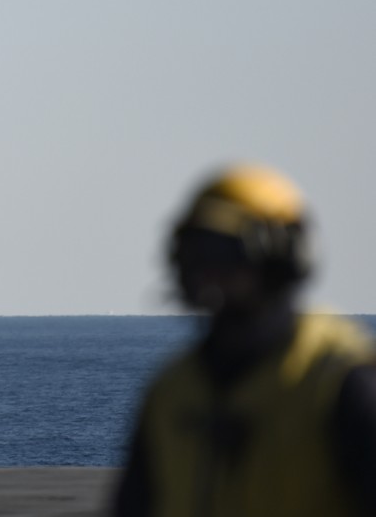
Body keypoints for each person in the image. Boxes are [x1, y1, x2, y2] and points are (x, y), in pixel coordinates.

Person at [113, 164, 376, 517]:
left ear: (279, 255)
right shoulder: (171, 393)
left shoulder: (340, 382)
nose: (207, 270)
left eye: (224, 251)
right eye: (196, 251)